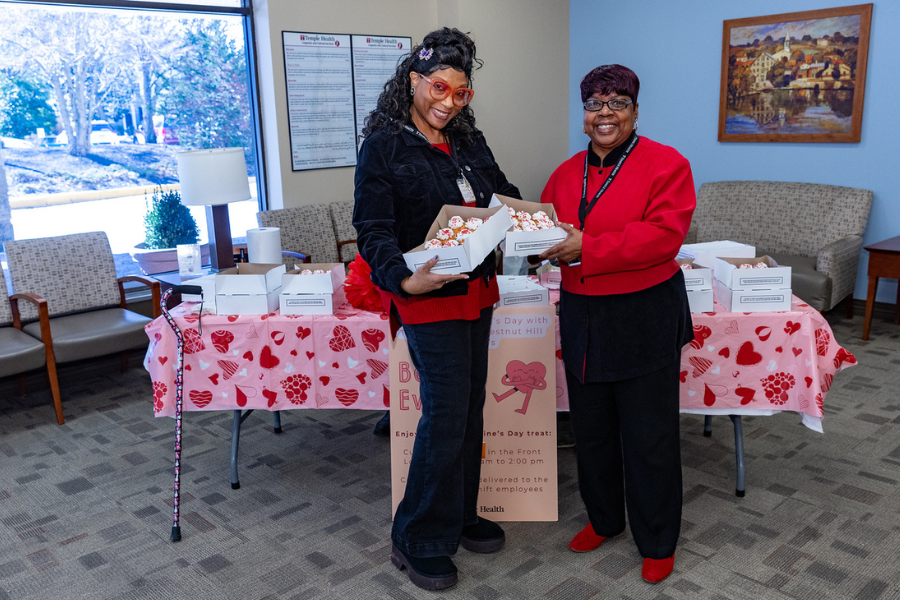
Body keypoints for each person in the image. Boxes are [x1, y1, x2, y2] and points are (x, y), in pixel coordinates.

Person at [353, 27, 521, 591]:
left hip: (477, 291)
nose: (449, 102)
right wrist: (404, 278)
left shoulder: (470, 140)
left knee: (469, 411)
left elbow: (502, 194)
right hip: (427, 296)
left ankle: (461, 513)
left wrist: (531, 222)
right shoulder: (384, 145)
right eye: (439, 88)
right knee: (445, 415)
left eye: (462, 93)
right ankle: (417, 535)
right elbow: (372, 228)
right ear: (414, 80)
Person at [539, 64, 695, 584]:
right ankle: (605, 520)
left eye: (617, 103)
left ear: (635, 111)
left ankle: (657, 540)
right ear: (583, 114)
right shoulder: (565, 173)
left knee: (649, 436)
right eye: (594, 104)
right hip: (583, 313)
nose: (604, 114)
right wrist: (534, 245)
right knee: (592, 431)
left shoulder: (667, 164)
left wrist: (588, 246)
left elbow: (664, 237)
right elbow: (547, 232)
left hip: (642, 311)